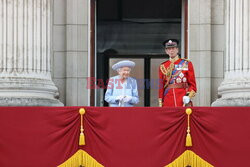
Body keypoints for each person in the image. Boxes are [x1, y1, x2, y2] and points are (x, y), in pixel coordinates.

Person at [158, 39, 197, 107]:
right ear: (166, 51)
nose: (171, 51)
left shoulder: (186, 63)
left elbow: (192, 85)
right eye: (169, 49)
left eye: (173, 48)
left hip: (183, 98)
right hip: (168, 99)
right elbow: (161, 86)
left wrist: (188, 96)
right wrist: (161, 102)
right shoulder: (163, 66)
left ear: (177, 50)